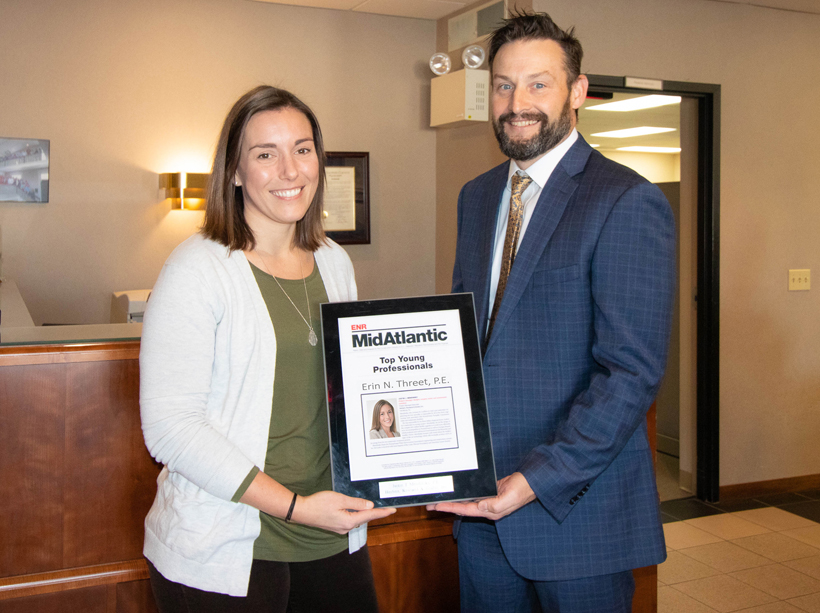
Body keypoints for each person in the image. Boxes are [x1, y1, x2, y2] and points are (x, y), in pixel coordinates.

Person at [427, 11, 676, 612]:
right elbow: (471, 344)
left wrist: (535, 480)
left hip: (576, 515)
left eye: (539, 83)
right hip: (480, 515)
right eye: (505, 85)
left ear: (578, 91)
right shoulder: (477, 197)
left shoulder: (625, 199)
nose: (518, 102)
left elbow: (630, 374)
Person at [139, 85, 395, 612]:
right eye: (265, 154)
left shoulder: (333, 261)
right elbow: (170, 426)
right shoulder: (198, 268)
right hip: (230, 545)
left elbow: (350, 393)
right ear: (234, 172)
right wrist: (297, 507)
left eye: (302, 149)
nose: (290, 170)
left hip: (332, 528)